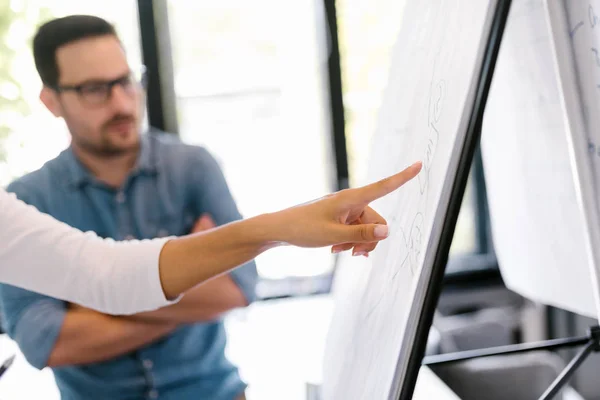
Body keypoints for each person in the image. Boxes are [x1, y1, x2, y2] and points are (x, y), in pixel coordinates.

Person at [0, 14, 259, 400]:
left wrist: (90, 300)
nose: (121, 103)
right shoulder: (25, 201)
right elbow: (47, 343)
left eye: (125, 81)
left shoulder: (192, 167)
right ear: (51, 101)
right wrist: (188, 288)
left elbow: (237, 289)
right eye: (94, 89)